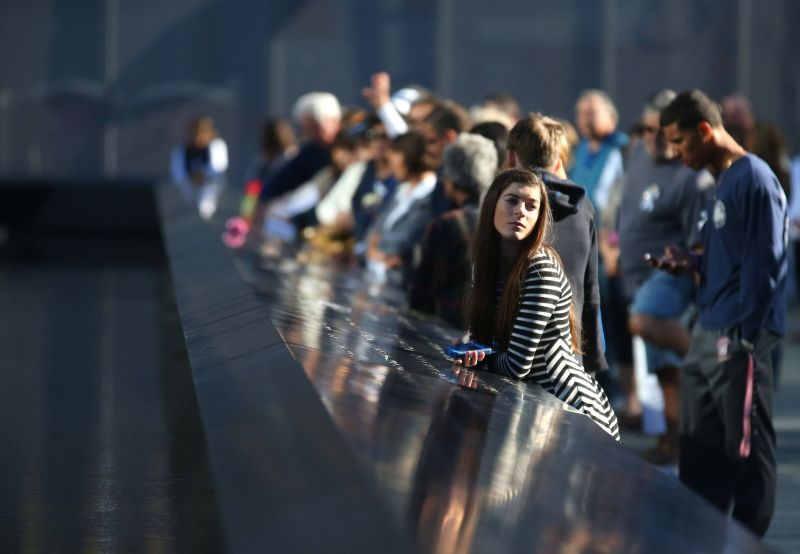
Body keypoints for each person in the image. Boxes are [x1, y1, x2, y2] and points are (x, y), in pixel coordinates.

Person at [653, 89, 787, 536]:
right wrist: (687, 262)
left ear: (705, 131)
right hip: (706, 331)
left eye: (679, 142)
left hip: (738, 335)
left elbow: (766, 261)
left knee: (745, 449)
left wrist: (746, 334)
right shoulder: (719, 183)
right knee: (701, 450)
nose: (675, 153)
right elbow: (723, 257)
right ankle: (701, 537)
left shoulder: (755, 178)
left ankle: (749, 539)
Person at [458, 168, 619, 440]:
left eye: (531, 206)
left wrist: (478, 360)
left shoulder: (540, 269)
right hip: (533, 407)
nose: (521, 211)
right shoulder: (485, 265)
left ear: (539, 218)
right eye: (512, 201)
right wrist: (470, 353)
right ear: (491, 205)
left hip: (575, 415)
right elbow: (482, 340)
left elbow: (517, 365)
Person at [617, 89, 714, 466]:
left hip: (669, 279)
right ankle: (672, 442)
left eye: (661, 131)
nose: (652, 138)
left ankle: (710, 365)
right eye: (645, 130)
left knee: (647, 322)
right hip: (635, 276)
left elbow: (700, 247)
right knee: (662, 370)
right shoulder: (639, 154)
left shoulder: (691, 178)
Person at [506, 113, 608, 374]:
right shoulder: (583, 205)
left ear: (511, 157)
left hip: (514, 349)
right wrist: (592, 359)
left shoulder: (509, 201)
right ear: (558, 157)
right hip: (569, 355)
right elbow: (590, 285)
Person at [409, 133, 497, 329]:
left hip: (443, 328)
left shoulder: (445, 225)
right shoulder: (499, 222)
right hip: (483, 334)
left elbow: (420, 297)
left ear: (450, 178)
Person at [365, 131, 438, 286]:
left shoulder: (430, 194)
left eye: (396, 154)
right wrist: (373, 247)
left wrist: (378, 246)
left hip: (401, 281)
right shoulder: (402, 191)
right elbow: (375, 228)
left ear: (409, 156)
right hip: (379, 274)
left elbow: (404, 239)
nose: (391, 162)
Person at [170, 116, 228, 220]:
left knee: (206, 201)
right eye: (193, 132)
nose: (197, 136)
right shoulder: (181, 151)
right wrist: (191, 179)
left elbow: (219, 169)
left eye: (201, 132)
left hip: (216, 196)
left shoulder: (216, 146)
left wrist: (203, 177)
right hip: (186, 198)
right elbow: (178, 175)